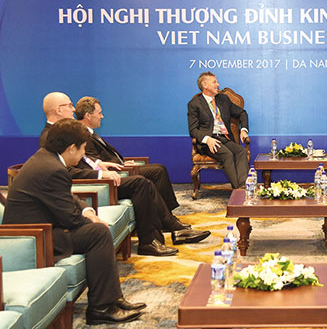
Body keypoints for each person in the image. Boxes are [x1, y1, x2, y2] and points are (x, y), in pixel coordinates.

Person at [3, 119, 145, 325]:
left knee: (96, 228)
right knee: (98, 233)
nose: (83, 154)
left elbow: (67, 198)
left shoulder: (46, 159)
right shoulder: (52, 169)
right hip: (33, 238)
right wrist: (94, 222)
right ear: (71, 148)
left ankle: (113, 300)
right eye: (83, 148)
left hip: (42, 228)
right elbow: (70, 218)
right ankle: (101, 308)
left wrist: (88, 211)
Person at [40, 92, 210, 256]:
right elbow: (67, 172)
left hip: (98, 178)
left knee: (146, 181)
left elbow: (82, 160)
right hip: (93, 186)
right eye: (70, 105)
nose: (73, 109)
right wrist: (100, 175)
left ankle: (165, 232)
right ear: (59, 110)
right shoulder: (50, 136)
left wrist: (98, 164)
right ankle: (153, 239)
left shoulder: (60, 131)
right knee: (141, 183)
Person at [74, 96, 179, 211]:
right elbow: (95, 162)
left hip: (120, 167)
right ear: (88, 115)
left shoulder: (91, 132)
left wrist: (122, 162)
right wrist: (121, 165)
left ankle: (165, 212)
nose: (102, 116)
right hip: (114, 172)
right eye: (99, 113)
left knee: (159, 168)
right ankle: (166, 213)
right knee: (158, 171)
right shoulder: (82, 135)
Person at [187, 72, 250, 189]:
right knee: (227, 154)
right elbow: (193, 129)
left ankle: (243, 187)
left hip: (224, 138)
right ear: (205, 85)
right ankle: (238, 190)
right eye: (214, 82)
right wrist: (207, 139)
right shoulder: (194, 104)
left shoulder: (223, 99)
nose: (218, 84)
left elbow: (242, 113)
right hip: (208, 141)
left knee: (241, 151)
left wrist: (243, 130)